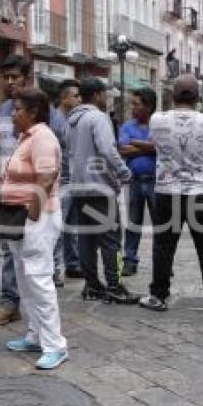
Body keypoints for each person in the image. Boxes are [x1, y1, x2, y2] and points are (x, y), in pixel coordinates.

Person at [138, 74, 203, 313]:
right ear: (197, 97)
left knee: (163, 245)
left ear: (172, 96)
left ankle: (158, 296)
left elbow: (156, 145)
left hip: (166, 191)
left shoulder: (157, 120)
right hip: (200, 191)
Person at [0, 88, 68, 370]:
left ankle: (55, 344)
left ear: (33, 113)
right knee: (24, 276)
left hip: (37, 217)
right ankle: (35, 334)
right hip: (19, 215)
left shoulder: (42, 137)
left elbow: (47, 175)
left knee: (39, 278)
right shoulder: (25, 137)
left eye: (18, 109)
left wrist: (33, 210)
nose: (13, 114)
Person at [66, 78, 137, 304]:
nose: (107, 99)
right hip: (100, 188)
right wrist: (124, 173)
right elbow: (108, 150)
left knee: (86, 239)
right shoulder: (98, 118)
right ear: (97, 95)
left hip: (79, 188)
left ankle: (92, 285)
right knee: (111, 240)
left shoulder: (72, 120)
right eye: (105, 95)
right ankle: (114, 286)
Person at [0, 54, 29, 327]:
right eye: (6, 77)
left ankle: (25, 301)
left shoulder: (38, 110)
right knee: (8, 248)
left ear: (27, 79)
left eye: (15, 77)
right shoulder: (2, 110)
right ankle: (10, 302)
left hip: (29, 191)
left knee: (30, 249)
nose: (10, 82)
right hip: (4, 190)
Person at [118, 87, 158, 277]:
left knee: (161, 224)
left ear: (148, 106)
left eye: (136, 104)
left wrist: (136, 143)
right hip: (134, 181)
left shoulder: (159, 125)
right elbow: (123, 150)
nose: (132, 108)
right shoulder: (127, 126)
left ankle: (161, 261)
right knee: (133, 223)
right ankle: (130, 260)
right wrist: (149, 147)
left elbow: (162, 148)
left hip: (157, 182)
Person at [49, 80, 82, 285]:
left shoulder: (72, 119)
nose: (79, 99)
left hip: (72, 178)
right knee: (57, 229)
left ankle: (72, 263)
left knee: (72, 226)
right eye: (75, 96)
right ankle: (55, 269)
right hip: (60, 180)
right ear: (64, 98)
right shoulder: (55, 120)